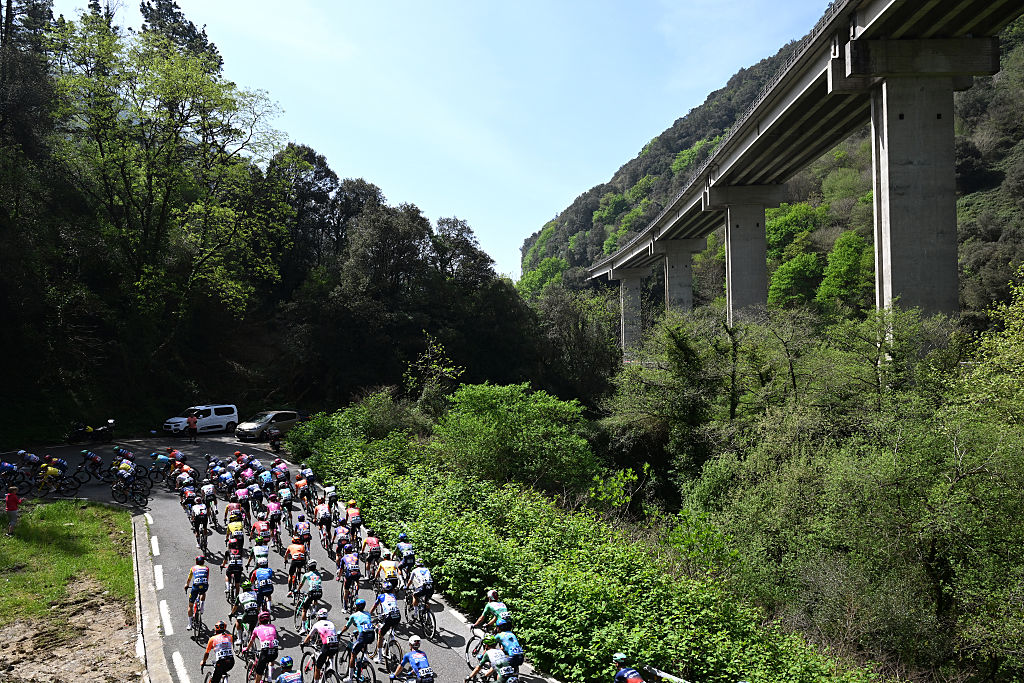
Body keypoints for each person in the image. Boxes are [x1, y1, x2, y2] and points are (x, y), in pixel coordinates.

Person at [301, 607, 339, 683]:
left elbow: (309, 636)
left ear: (318, 616)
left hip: (326, 646)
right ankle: (330, 669)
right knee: (329, 654)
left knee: (317, 668)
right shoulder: (331, 623)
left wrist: (304, 643)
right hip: (335, 645)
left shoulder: (317, 624)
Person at [339, 598, 375, 676]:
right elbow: (365, 624)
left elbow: (346, 627)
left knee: (353, 654)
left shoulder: (353, 615)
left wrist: (340, 633)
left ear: (356, 607)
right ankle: (364, 658)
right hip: (372, 634)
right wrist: (358, 631)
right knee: (364, 643)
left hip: (363, 635)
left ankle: (350, 677)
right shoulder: (368, 614)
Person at [370, 585, 401, 664]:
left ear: (383, 590)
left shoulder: (381, 596)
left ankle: (379, 658)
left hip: (389, 617)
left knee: (380, 634)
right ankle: (392, 640)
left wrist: (369, 615)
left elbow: (374, 606)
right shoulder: (393, 596)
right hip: (398, 616)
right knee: (391, 628)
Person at [246, 611, 280, 683]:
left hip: (265, 653)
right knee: (271, 657)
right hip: (275, 652)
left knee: (259, 674)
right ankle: (270, 677)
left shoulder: (257, 629)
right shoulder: (273, 626)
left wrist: (247, 649)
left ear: (259, 620)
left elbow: (251, 641)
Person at [297, 559, 324, 629]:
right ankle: (314, 610)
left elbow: (301, 584)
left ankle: (303, 628)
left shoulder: (306, 574)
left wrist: (298, 590)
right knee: (315, 598)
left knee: (304, 609)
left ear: (308, 567)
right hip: (320, 592)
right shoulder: (319, 574)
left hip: (312, 592)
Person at [337, 544, 361, 610]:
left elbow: (341, 569)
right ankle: (356, 593)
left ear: (344, 551)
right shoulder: (356, 555)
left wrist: (339, 577)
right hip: (357, 572)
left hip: (349, 573)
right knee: (357, 580)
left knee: (346, 590)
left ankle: (345, 607)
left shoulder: (343, 558)